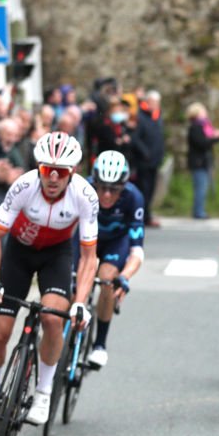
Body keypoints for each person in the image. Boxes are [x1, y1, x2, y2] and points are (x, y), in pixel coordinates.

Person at [0, 132, 98, 433]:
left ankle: (43, 391)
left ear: (73, 172)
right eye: (46, 170)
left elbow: (89, 257)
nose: (53, 178)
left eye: (61, 172)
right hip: (19, 253)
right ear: (38, 168)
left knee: (53, 319)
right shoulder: (24, 186)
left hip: (56, 255)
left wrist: (80, 302)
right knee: (0, 333)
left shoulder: (85, 195)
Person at [79, 151, 145, 368]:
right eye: (102, 187)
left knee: (107, 278)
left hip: (116, 241)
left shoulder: (134, 198)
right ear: (93, 182)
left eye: (114, 189)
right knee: (72, 282)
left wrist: (124, 276)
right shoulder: (81, 189)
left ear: (123, 187)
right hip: (83, 238)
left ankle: (99, 344)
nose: (106, 194)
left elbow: (137, 251)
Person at [186, 102, 219, 220]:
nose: (205, 113)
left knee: (203, 187)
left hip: (203, 161)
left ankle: (199, 209)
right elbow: (202, 143)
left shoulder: (202, 126)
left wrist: (215, 137)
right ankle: (198, 211)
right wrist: (216, 138)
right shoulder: (196, 128)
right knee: (200, 187)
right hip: (198, 162)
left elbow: (208, 140)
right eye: (203, 111)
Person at [135, 90, 165, 227]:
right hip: (144, 162)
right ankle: (143, 216)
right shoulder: (141, 117)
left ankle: (147, 214)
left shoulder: (157, 117)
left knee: (151, 190)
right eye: (154, 102)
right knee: (144, 190)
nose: (156, 105)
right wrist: (145, 153)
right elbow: (136, 138)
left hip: (155, 161)